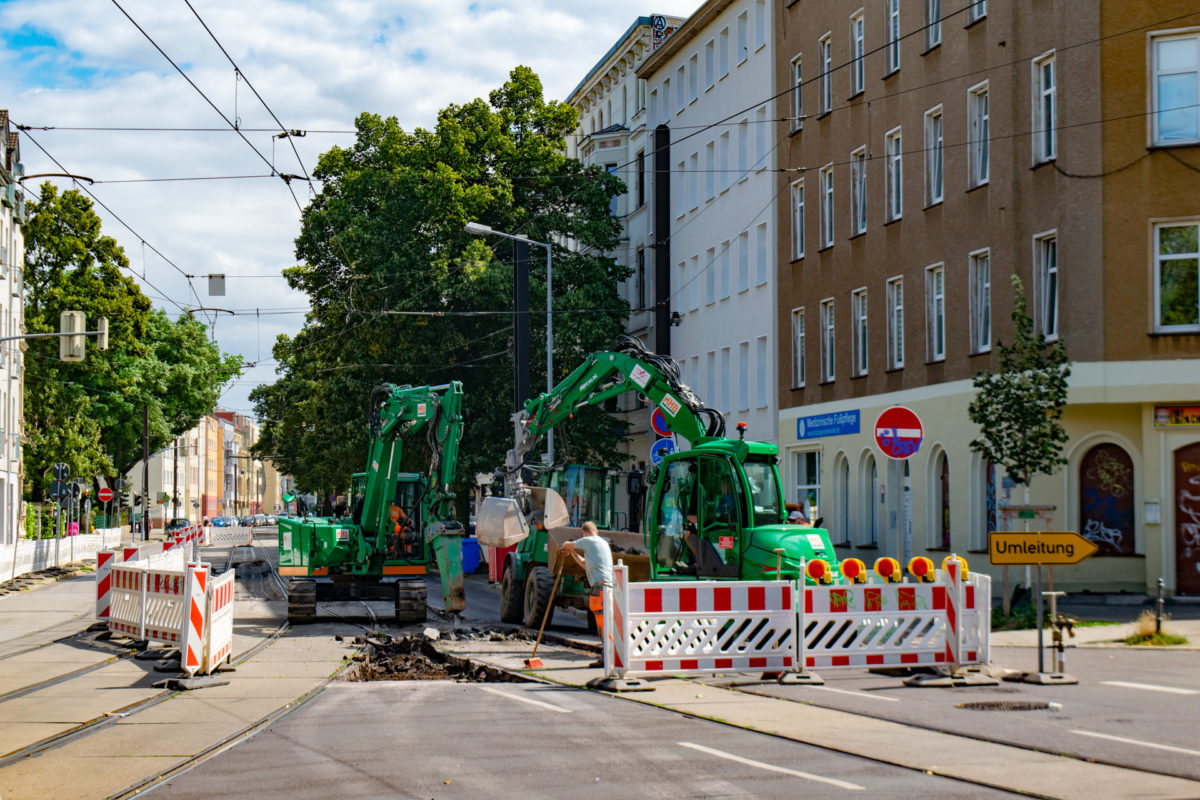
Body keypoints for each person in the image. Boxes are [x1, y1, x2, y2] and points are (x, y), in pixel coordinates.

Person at [560, 521, 613, 650]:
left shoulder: (589, 540)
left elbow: (566, 544)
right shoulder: (602, 543)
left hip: (600, 588)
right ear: (597, 531)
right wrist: (572, 553)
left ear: (583, 533)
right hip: (608, 587)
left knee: (603, 625)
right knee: (606, 623)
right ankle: (607, 655)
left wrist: (565, 548)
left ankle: (607, 656)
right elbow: (584, 564)